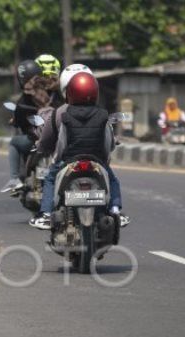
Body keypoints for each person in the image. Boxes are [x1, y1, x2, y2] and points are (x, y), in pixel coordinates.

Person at [30, 70, 129, 230]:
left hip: (70, 160)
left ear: (70, 93)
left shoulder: (64, 115)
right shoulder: (103, 115)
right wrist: (103, 161)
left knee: (49, 179)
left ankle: (46, 214)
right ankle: (116, 209)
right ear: (95, 92)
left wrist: (57, 160)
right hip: (96, 160)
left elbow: (62, 142)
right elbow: (108, 143)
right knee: (112, 179)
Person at [2, 55, 63, 193]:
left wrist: (16, 120)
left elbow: (19, 114)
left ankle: (14, 179)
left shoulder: (29, 91)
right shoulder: (60, 90)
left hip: (37, 137)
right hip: (60, 137)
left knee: (14, 143)